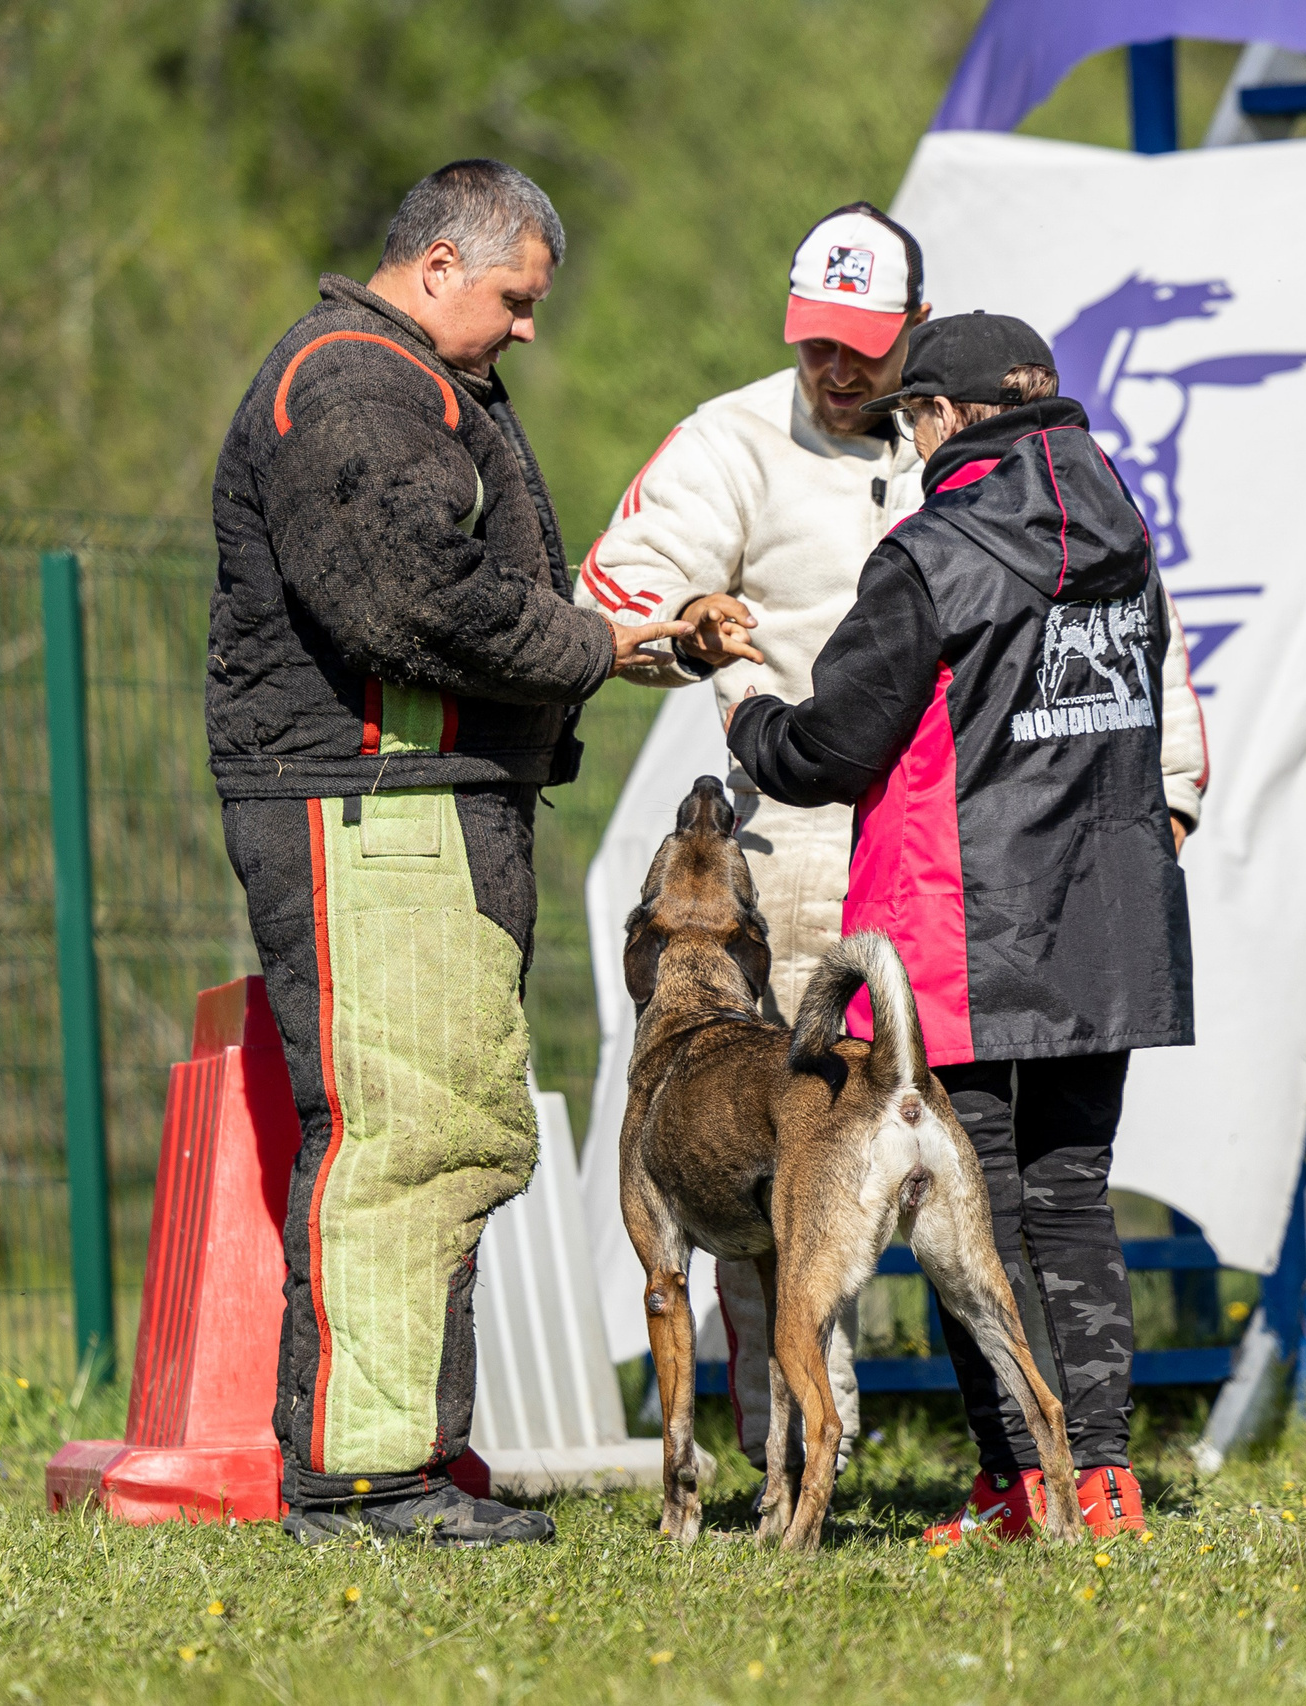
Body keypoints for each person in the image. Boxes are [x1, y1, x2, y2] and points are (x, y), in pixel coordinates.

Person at [208, 158, 686, 1548]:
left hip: (420, 802)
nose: (530, 327)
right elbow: (409, 598)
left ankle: (414, 1448)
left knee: (456, 1126)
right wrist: (595, 640)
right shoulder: (355, 386)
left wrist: (604, 647)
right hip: (372, 805)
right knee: (403, 1134)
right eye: (516, 298)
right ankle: (367, 1483)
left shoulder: (405, 380)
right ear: (438, 269)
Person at [726, 312, 1206, 1545]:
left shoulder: (927, 551)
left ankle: (1016, 1482)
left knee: (971, 1208)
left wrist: (749, 720)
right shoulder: (1123, 533)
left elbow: (831, 748)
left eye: (910, 417)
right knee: (1074, 1193)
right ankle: (1101, 1479)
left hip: (961, 928)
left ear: (942, 417)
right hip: (1104, 918)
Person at [572, 202, 931, 1478]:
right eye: (813, 342)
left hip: (956, 831)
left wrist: (1169, 781)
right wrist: (687, 624)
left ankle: (1014, 1450)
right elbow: (606, 598)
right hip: (802, 840)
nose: (835, 370)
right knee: (776, 1153)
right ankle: (791, 1447)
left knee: (962, 1137)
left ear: (916, 333)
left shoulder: (967, 433)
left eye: (863, 347)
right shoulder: (727, 439)